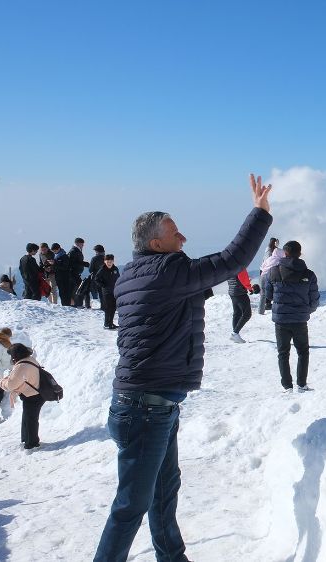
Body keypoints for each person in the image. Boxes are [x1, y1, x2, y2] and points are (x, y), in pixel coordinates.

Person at [93, 174, 273, 562]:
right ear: (156, 244)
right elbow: (231, 261)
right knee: (130, 508)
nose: (184, 239)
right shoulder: (165, 273)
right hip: (145, 407)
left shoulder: (134, 274)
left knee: (162, 495)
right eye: (176, 234)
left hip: (148, 404)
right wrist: (258, 213)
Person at [265, 240, 320, 393]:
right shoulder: (309, 274)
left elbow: (269, 295)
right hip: (300, 319)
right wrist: (307, 310)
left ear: (285, 253)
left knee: (283, 352)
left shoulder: (274, 271)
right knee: (303, 351)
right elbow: (314, 298)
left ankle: (287, 386)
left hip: (281, 320)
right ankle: (301, 385)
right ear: (300, 253)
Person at [0, 343, 44, 450]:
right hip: (36, 393)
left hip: (32, 396)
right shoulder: (30, 360)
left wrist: (1, 382)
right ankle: (26, 440)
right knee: (28, 418)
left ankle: (32, 444)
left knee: (30, 420)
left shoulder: (21, 366)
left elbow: (10, 385)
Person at [227, 269, 254, 343]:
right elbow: (243, 278)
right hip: (240, 292)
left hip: (232, 291)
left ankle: (235, 335)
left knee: (237, 313)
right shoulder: (240, 265)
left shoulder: (230, 265)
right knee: (247, 314)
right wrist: (250, 288)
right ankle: (235, 333)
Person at [94, 254, 120, 330]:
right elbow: (96, 279)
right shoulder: (102, 269)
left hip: (114, 291)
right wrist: (103, 285)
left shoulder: (115, 269)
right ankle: (107, 324)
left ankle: (110, 323)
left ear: (113, 261)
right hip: (106, 291)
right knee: (108, 308)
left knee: (113, 307)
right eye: (108, 261)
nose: (109, 263)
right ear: (105, 261)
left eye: (111, 261)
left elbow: (118, 278)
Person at [258, 237, 283, 315]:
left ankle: (261, 311)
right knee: (276, 291)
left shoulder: (268, 251)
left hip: (263, 274)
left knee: (263, 293)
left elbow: (262, 265)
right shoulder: (275, 255)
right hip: (271, 274)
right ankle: (276, 308)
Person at [71, 237, 91, 308]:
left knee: (79, 288)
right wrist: (83, 263)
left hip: (76, 273)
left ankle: (78, 304)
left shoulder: (77, 250)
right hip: (73, 273)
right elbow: (73, 262)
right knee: (78, 288)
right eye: (82, 244)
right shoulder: (73, 251)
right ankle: (77, 304)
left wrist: (84, 263)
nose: (83, 245)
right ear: (77, 243)